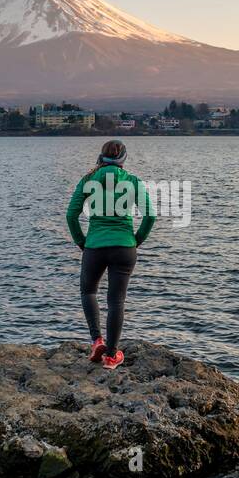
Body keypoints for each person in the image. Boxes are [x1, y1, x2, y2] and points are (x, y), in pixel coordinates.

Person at [65, 140, 155, 369]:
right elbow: (150, 216)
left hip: (94, 246)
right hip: (124, 246)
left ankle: (97, 341)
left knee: (88, 291)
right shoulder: (133, 181)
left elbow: (71, 215)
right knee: (116, 301)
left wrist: (81, 241)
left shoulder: (88, 179)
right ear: (123, 159)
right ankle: (112, 356)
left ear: (101, 156)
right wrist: (137, 240)